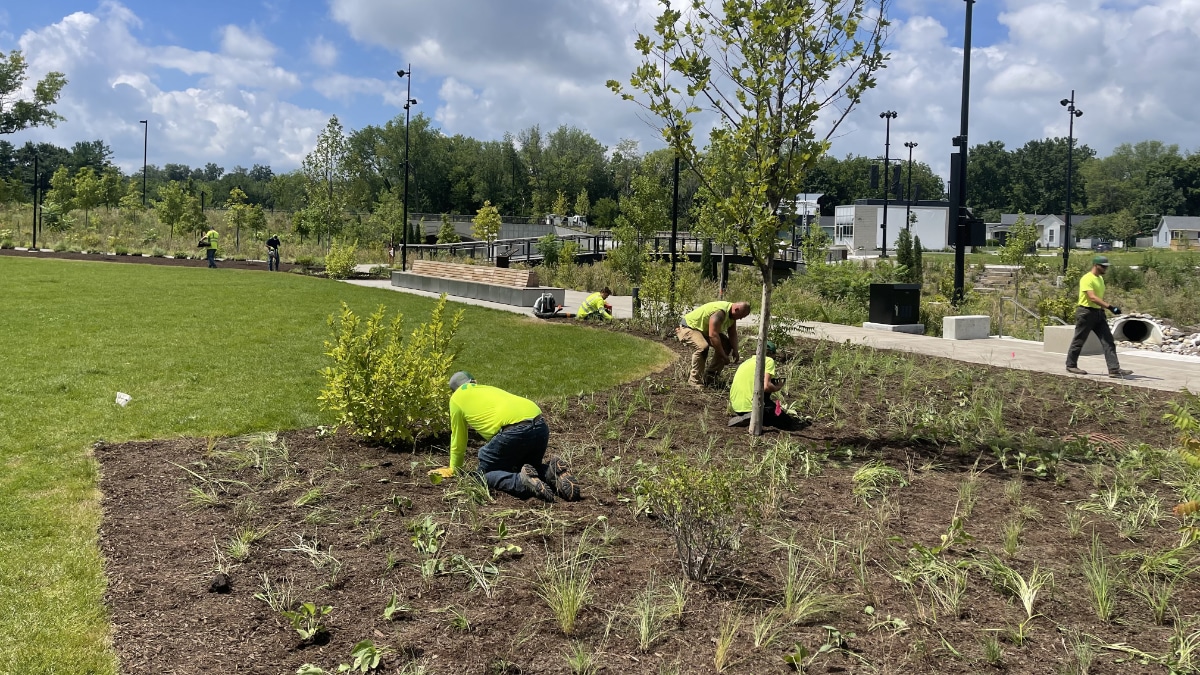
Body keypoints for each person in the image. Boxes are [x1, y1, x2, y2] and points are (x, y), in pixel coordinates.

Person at [445, 371, 580, 502]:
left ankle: (521, 482)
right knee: (526, 466)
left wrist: (454, 469)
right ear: (474, 382)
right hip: (540, 425)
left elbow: (458, 439)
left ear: (454, 390)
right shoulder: (488, 389)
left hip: (514, 430)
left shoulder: (456, 399)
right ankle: (551, 473)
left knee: (482, 475)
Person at [1066, 255, 1132, 378]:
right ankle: (1071, 365)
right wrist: (1110, 307)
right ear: (1096, 266)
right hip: (1085, 313)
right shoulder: (1087, 278)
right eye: (1103, 266)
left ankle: (1114, 369)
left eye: (1106, 267)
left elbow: (1098, 298)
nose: (1105, 269)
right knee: (1079, 340)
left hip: (1098, 313)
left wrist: (1103, 309)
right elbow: (1092, 297)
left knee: (1108, 341)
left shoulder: (1100, 279)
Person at [675, 300, 752, 387]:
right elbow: (713, 336)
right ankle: (694, 381)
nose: (741, 318)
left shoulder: (732, 315)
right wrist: (723, 356)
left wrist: (735, 350)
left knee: (726, 344)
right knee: (702, 347)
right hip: (688, 327)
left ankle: (710, 377)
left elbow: (732, 333)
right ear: (736, 309)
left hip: (703, 331)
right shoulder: (719, 313)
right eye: (741, 316)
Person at [727, 341, 802, 429]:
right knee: (787, 421)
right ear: (772, 354)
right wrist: (778, 387)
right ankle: (754, 416)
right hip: (753, 406)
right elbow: (766, 386)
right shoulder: (768, 360)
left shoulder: (746, 362)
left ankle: (747, 417)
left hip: (737, 407)